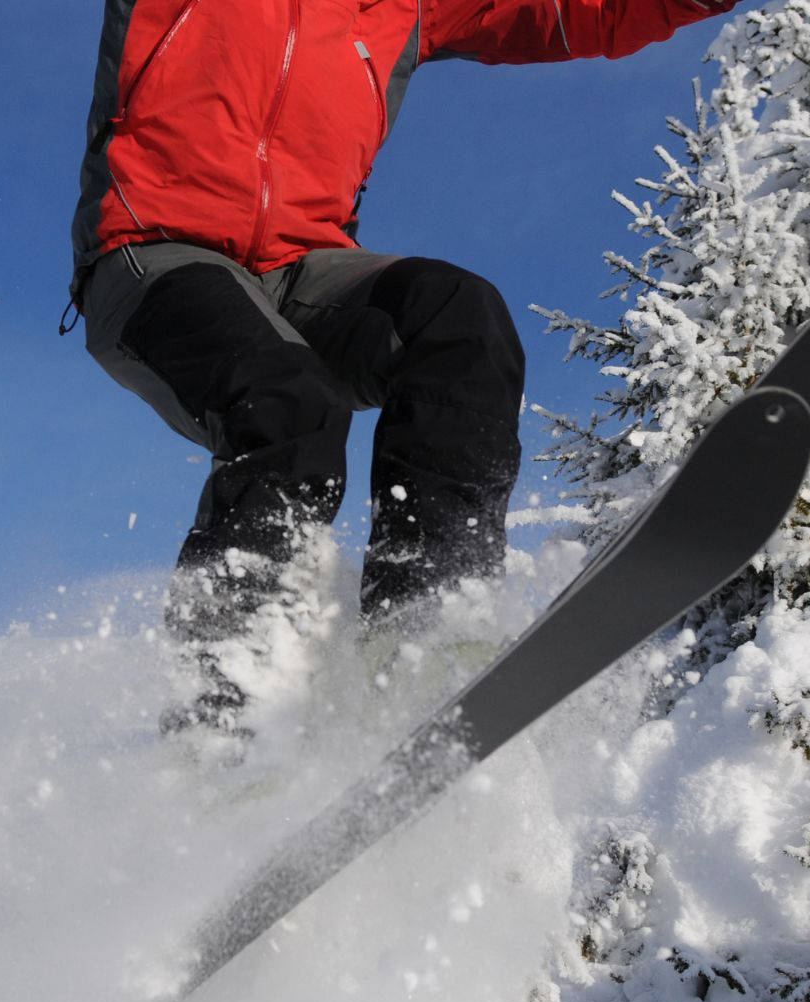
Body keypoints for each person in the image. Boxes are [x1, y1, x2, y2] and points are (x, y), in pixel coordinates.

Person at [67, 0, 738, 734]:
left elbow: (570, 11)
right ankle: (226, 706)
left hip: (304, 269)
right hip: (157, 255)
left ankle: (421, 632)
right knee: (289, 405)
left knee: (460, 322)